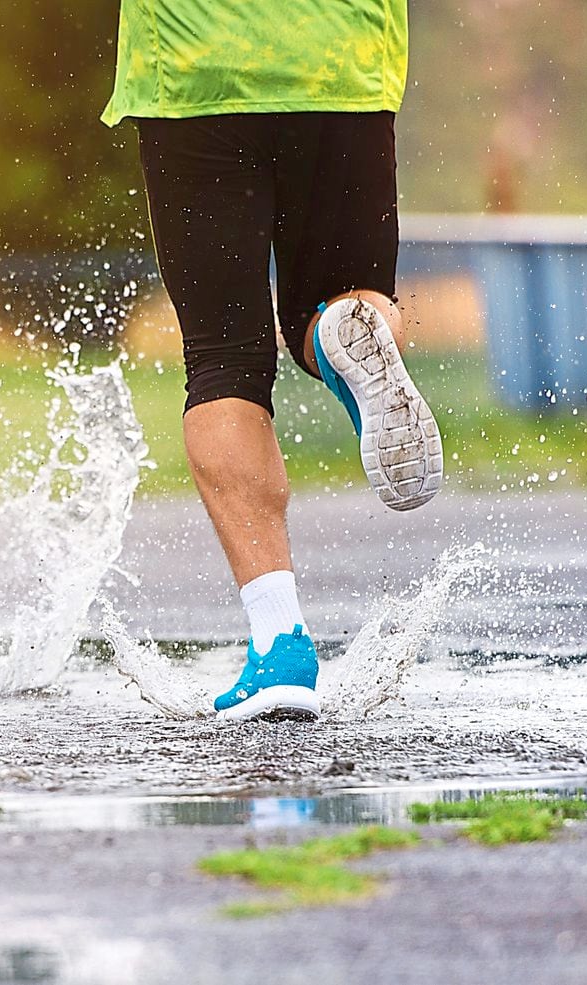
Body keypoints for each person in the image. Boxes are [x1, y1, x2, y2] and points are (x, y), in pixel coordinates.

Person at [102, 1, 444, 720]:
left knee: (225, 357)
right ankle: (347, 331)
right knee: (342, 294)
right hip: (342, 61)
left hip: (196, 71)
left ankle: (279, 641)